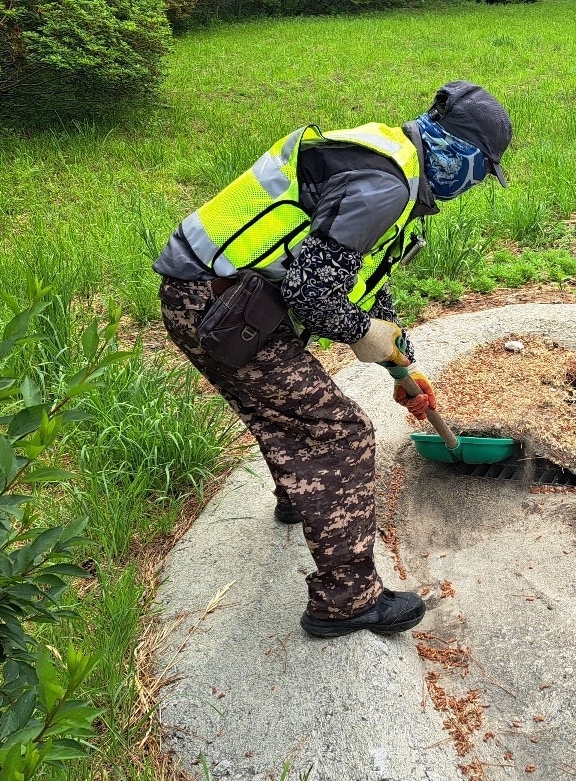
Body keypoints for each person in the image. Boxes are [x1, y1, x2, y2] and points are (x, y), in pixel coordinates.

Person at [154, 81, 511, 638]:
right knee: (339, 433)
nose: (477, 183)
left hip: (227, 295)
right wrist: (363, 333)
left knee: (290, 408)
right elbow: (313, 292)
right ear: (461, 151)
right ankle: (346, 600)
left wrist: (402, 365)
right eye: (482, 169)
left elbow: (359, 277)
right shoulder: (385, 187)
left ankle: (302, 498)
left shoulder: (394, 161)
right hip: (218, 306)